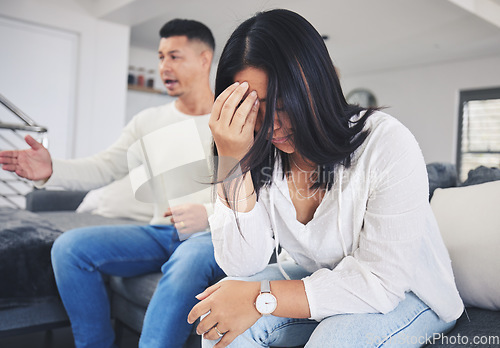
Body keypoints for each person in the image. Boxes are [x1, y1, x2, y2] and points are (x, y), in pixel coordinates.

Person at [187, 9, 464, 348]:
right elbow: (242, 264)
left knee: (333, 341)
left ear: (316, 86)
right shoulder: (256, 150)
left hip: (410, 293)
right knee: (221, 322)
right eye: (254, 107)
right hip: (331, 281)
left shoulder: (387, 144)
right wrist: (233, 161)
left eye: (284, 103)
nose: (270, 125)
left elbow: (380, 283)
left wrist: (261, 298)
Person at [0, 19, 225, 348]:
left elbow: (256, 192)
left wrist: (208, 213)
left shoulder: (231, 118)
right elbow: (105, 166)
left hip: (211, 236)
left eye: (174, 56)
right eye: (160, 57)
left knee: (187, 261)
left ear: (204, 59)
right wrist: (52, 169)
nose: (164, 66)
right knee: (70, 248)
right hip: (161, 231)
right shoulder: (148, 121)